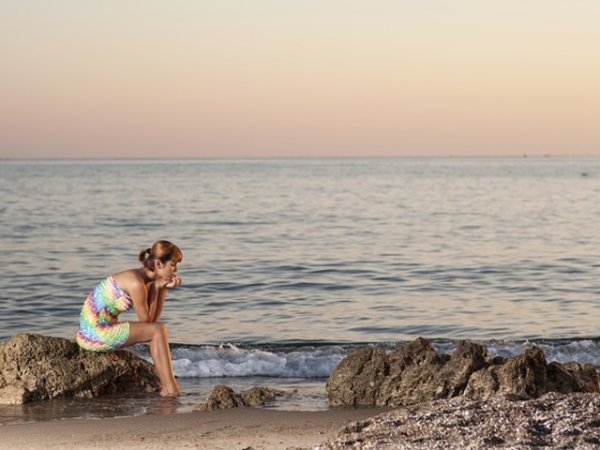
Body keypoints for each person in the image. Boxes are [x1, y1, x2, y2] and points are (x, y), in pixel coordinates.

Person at [76, 240, 183, 397]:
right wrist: (157, 287)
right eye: (173, 265)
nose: (176, 270)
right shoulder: (136, 282)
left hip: (101, 329)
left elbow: (152, 320)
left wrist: (161, 288)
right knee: (159, 330)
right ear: (159, 263)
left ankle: (169, 388)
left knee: (158, 330)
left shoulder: (146, 281)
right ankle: (170, 389)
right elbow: (148, 323)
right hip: (93, 333)